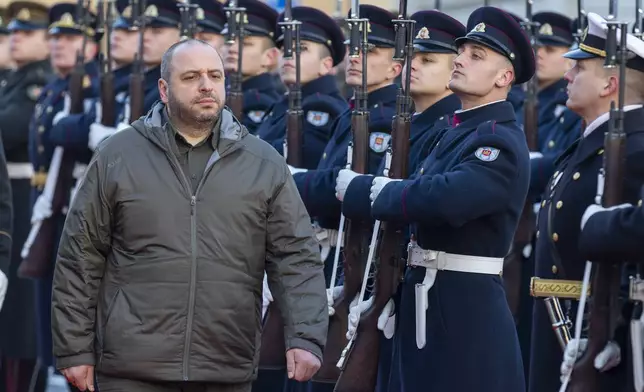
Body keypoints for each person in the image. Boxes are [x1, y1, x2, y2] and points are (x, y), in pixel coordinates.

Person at [51, 38, 327, 392]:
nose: (206, 85)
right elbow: (80, 256)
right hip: (132, 367)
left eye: (215, 75)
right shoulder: (117, 155)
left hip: (224, 366)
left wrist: (305, 336)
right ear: (164, 89)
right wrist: (75, 348)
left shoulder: (263, 163)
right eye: (191, 76)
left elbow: (296, 256)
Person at [368, 6, 534, 391]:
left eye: (476, 56)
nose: (460, 60)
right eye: (461, 52)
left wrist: (376, 191)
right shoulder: (458, 131)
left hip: (464, 312)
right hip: (427, 298)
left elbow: (446, 199)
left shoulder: (498, 140)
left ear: (504, 76)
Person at [336, 10, 465, 391]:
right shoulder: (410, 121)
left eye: (428, 60)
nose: (414, 67)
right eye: (412, 57)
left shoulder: (445, 129)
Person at [529, 12, 644, 392]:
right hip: (562, 323)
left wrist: (611, 326)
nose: (566, 76)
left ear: (611, 84)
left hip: (608, 334)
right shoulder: (589, 144)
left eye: (579, 69)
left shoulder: (637, 146)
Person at [289, 4, 401, 284]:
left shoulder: (387, 119)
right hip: (328, 252)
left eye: (369, 51)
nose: (355, 56)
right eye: (353, 49)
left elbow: (350, 186)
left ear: (395, 68)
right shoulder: (351, 112)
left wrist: (290, 179)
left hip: (354, 258)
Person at [20, 4, 101, 391]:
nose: (59, 45)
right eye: (55, 37)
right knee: (44, 304)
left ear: (92, 46)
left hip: (73, 206)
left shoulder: (92, 86)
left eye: (70, 38)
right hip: (47, 201)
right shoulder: (55, 87)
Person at [0, 1, 52, 390]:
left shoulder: (38, 83)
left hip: (20, 200)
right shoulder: (12, 80)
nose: (16, 38)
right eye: (13, 32)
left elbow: (11, 129)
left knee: (19, 311)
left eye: (27, 33)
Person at [255, 6, 348, 170]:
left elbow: (309, 161)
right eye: (284, 50)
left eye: (301, 48)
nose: (289, 56)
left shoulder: (323, 107)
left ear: (325, 65)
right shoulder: (283, 104)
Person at [222, 0, 282, 135]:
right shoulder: (220, 93)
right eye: (228, 41)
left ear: (270, 57)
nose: (232, 48)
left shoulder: (264, 104)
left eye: (246, 44)